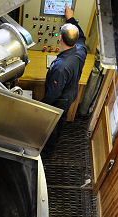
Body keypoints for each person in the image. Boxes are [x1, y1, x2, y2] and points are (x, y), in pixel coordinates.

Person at [41, 3, 87, 157]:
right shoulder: (81, 49)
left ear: (60, 38)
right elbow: (82, 36)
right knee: (62, 119)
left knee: (53, 123)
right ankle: (57, 139)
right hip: (71, 93)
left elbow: (53, 94)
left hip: (60, 98)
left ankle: (49, 151)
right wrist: (71, 18)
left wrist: (40, 107)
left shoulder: (60, 67)